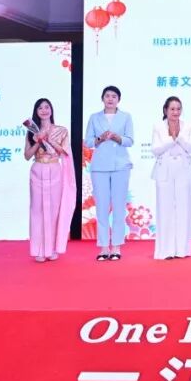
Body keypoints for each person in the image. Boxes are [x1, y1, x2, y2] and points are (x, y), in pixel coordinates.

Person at [84, 85, 134, 261]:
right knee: (102, 207)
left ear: (118, 99)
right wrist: (100, 138)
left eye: (114, 96)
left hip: (121, 165)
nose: (110, 99)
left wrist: (117, 138)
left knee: (119, 207)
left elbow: (130, 140)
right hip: (100, 166)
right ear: (102, 99)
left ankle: (117, 246)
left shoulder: (126, 117)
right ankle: (104, 247)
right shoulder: (94, 117)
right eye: (107, 96)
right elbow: (88, 141)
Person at [23, 98, 75, 263]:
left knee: (53, 210)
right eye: (40, 108)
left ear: (51, 110)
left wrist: (49, 140)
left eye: (47, 107)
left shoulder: (61, 130)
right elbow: (27, 156)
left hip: (54, 169)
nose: (44, 110)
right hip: (37, 169)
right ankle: (38, 249)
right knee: (37, 210)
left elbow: (64, 152)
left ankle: (51, 248)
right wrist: (38, 141)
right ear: (36, 112)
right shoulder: (32, 131)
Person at [151, 96, 191, 260]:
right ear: (166, 110)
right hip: (164, 170)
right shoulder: (158, 127)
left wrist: (180, 137)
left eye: (178, 109)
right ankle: (165, 250)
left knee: (184, 208)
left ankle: (182, 249)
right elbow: (155, 150)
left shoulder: (188, 126)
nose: (175, 112)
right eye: (172, 109)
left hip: (184, 170)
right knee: (165, 209)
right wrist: (171, 139)